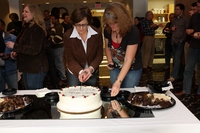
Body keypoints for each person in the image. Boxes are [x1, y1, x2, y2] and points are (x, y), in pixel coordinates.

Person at [103, 2, 143, 96]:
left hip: (133, 68)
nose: (112, 26)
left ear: (122, 20)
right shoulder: (107, 29)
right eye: (109, 23)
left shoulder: (132, 31)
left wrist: (118, 81)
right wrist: (109, 61)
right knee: (115, 93)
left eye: (115, 23)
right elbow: (107, 46)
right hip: (116, 67)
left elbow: (128, 59)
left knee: (128, 93)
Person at [6, 4, 49, 90]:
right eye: (23, 11)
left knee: (34, 95)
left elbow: (34, 49)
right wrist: (16, 51)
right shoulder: (27, 27)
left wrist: (15, 46)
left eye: (26, 11)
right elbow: (25, 46)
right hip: (28, 67)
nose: (23, 13)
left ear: (34, 13)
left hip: (35, 68)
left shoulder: (37, 29)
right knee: (29, 94)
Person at [64, 5, 103, 86]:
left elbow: (99, 55)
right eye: (78, 25)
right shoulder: (68, 36)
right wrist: (80, 71)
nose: (81, 28)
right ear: (74, 23)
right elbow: (70, 58)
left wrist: (90, 68)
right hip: (74, 71)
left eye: (84, 24)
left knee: (91, 95)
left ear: (88, 22)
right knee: (75, 95)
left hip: (91, 71)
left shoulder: (97, 34)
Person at [176, 0, 200, 101]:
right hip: (193, 46)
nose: (198, 8)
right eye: (198, 6)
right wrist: (189, 31)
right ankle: (186, 90)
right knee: (188, 69)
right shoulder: (195, 16)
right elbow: (188, 29)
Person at [0, 19, 18, 91]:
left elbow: (18, 52)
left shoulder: (12, 38)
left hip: (10, 69)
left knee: (14, 92)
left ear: (3, 27)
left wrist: (12, 56)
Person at [50, 14, 67, 86]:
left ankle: (63, 78)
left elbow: (58, 38)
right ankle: (62, 77)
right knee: (58, 63)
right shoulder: (55, 27)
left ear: (57, 19)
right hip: (56, 47)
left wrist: (51, 41)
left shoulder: (59, 27)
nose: (52, 20)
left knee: (59, 63)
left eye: (53, 19)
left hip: (58, 47)